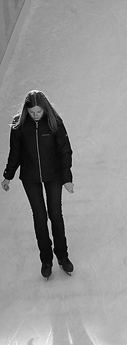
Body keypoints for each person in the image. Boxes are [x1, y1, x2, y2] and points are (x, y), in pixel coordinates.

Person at [2, 90, 75, 279]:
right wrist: (8, 175)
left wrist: (67, 178)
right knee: (39, 217)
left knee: (55, 215)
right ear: (27, 110)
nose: (35, 115)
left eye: (38, 112)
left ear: (45, 109)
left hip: (54, 176)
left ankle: (63, 256)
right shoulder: (19, 125)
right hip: (30, 177)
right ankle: (46, 259)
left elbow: (65, 151)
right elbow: (15, 152)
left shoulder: (54, 122)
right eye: (32, 112)